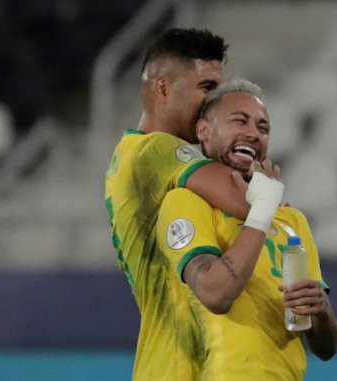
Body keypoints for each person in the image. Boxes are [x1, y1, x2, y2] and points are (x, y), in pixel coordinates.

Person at [155, 79, 337, 380]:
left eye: (263, 128)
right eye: (239, 121)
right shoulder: (185, 203)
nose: (253, 133)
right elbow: (216, 294)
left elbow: (326, 347)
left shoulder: (292, 221)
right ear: (203, 130)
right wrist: (264, 209)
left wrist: (321, 310)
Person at [104, 28, 260, 380]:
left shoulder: (135, 154)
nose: (213, 102)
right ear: (162, 88)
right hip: (176, 367)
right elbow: (250, 201)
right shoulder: (154, 151)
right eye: (206, 88)